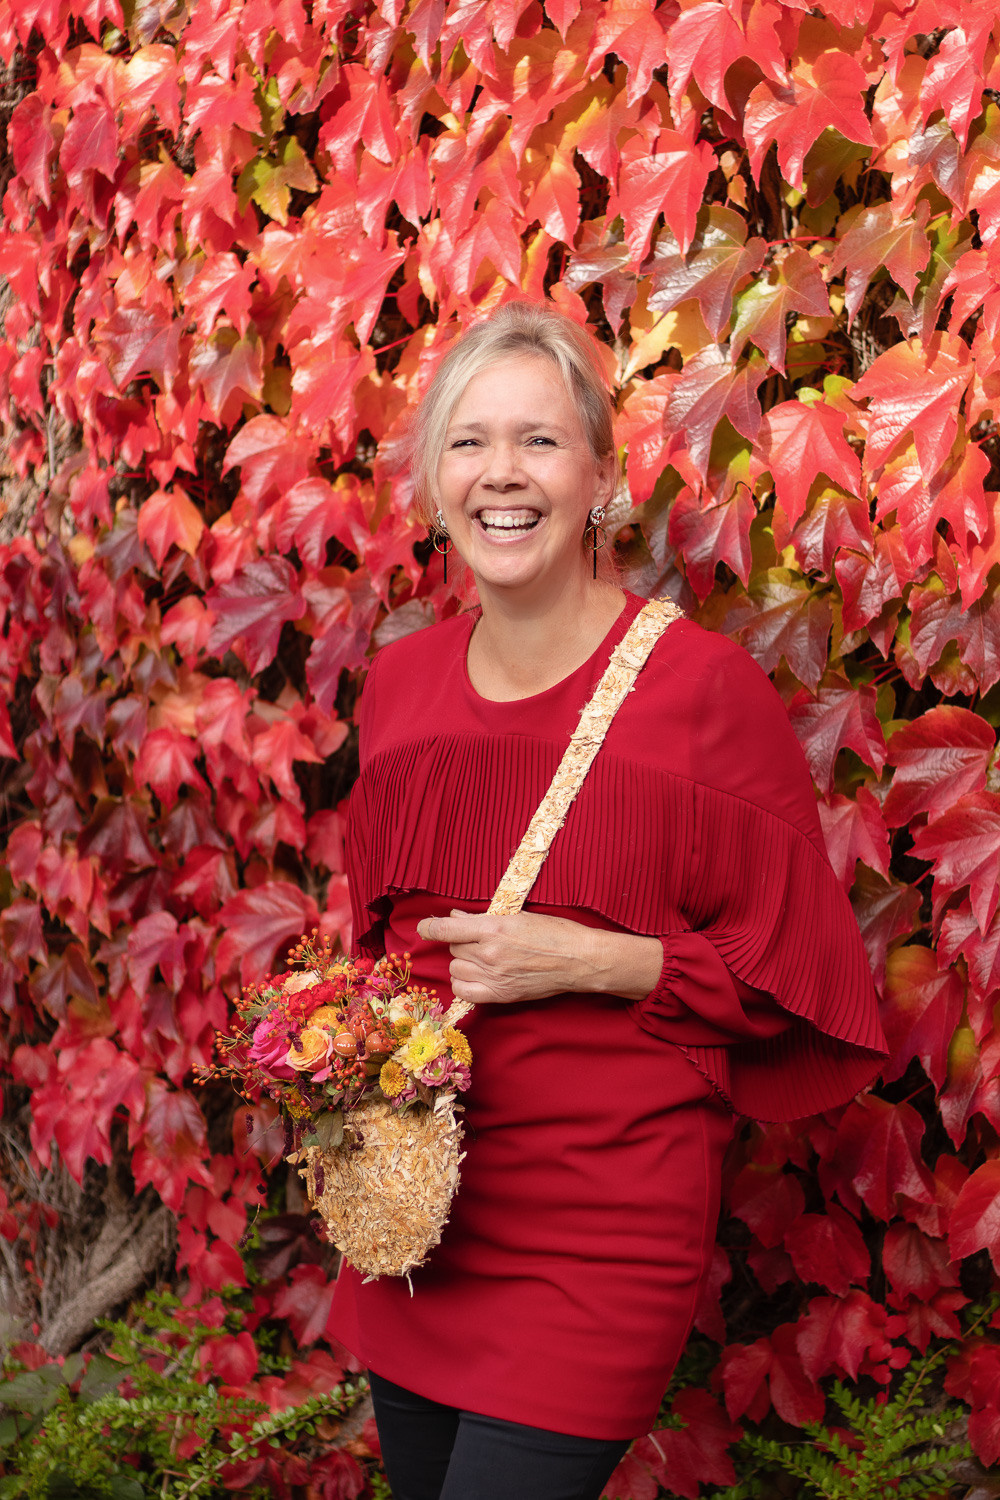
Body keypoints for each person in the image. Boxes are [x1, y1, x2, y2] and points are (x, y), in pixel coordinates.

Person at [329, 301, 887, 1500]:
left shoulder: (702, 693)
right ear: (434, 478)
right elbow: (381, 955)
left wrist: (593, 961)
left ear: (598, 474)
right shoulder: (399, 690)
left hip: (597, 1237)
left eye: (537, 440)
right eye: (469, 442)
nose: (501, 474)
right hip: (420, 1226)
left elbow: (805, 979)